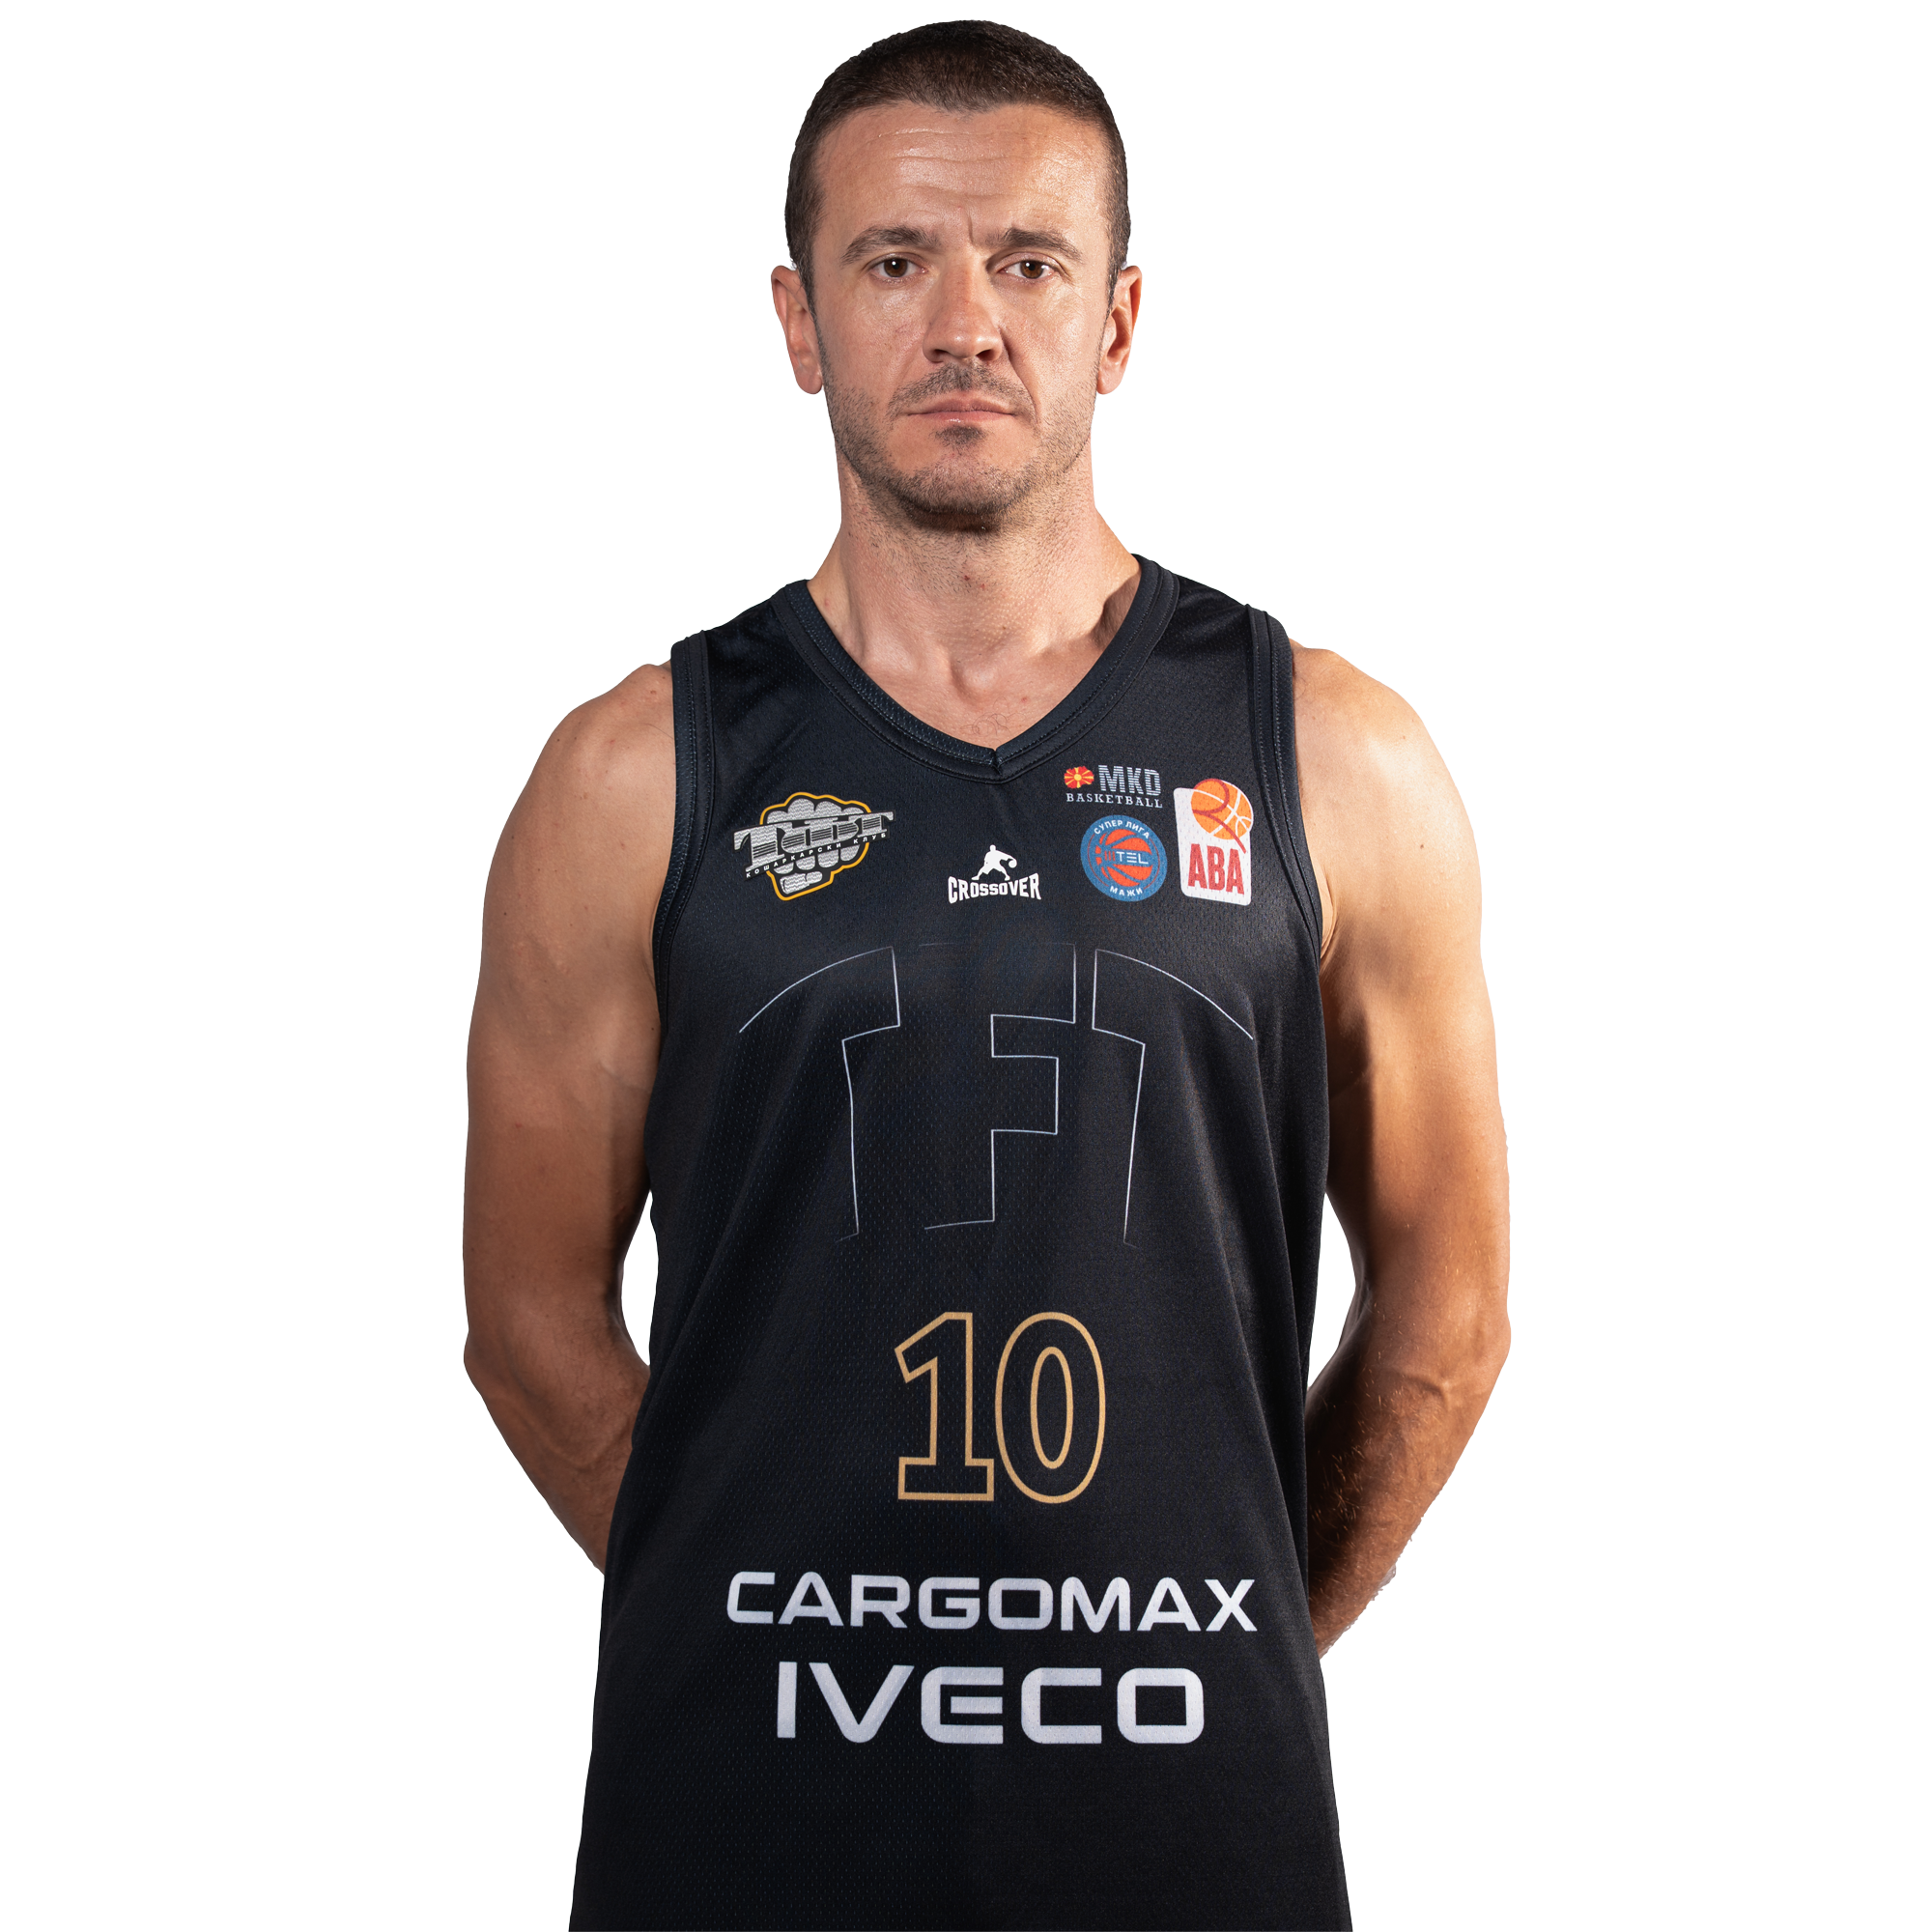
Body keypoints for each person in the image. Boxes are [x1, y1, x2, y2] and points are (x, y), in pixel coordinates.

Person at [464, 20, 1508, 1929]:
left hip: (1193, 1843)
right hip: (741, 1840)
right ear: (799, 321)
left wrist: (1224, 1635)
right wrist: (757, 1625)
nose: (967, 322)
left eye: (1028, 262)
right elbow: (527, 1318)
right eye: (894, 261)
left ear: (1117, 322)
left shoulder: (1332, 757)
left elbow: (1445, 1314)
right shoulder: (633, 776)